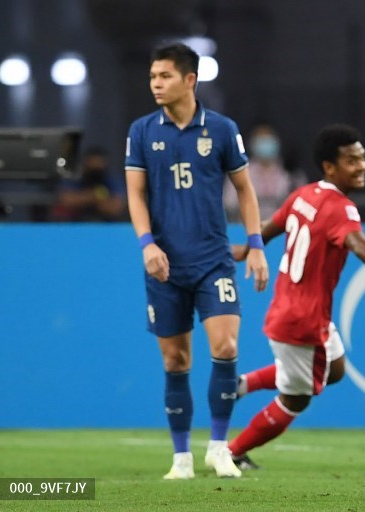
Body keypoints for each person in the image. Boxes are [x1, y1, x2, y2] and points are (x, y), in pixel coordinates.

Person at [226, 124, 365, 469]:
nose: (361, 166)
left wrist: (244, 250)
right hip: (301, 320)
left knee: (335, 369)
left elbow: (267, 230)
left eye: (362, 158)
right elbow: (360, 246)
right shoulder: (341, 208)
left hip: (301, 311)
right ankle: (232, 452)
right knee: (296, 399)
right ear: (329, 167)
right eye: (351, 160)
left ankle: (240, 384)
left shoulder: (303, 194)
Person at [124, 43, 269, 480]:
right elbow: (135, 194)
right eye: (152, 76)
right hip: (165, 265)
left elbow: (244, 189)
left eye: (164, 76)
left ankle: (219, 448)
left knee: (226, 347)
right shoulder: (142, 131)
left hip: (213, 260)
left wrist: (256, 244)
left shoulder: (221, 129)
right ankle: (181, 458)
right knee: (175, 361)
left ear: (190, 80)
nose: (155, 84)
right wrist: (147, 244)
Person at [223, 124, 307, 221]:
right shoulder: (239, 171)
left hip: (282, 227)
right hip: (246, 227)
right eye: (261, 139)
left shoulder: (290, 173)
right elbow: (229, 204)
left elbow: (303, 205)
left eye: (268, 138)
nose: (265, 144)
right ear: (252, 144)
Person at [52, 147, 126, 222]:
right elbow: (66, 201)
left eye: (98, 167)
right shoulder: (75, 177)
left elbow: (116, 207)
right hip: (75, 222)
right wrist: (94, 196)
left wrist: (87, 200)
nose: (95, 171)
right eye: (92, 167)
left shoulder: (111, 179)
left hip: (106, 223)